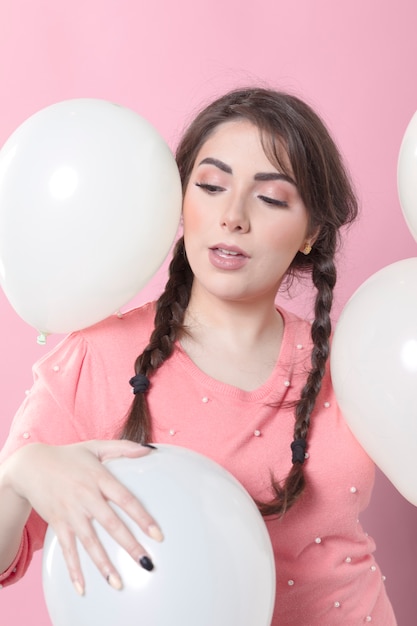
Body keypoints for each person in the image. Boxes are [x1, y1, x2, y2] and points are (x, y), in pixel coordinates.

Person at [0, 87, 397, 625]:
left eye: (272, 198)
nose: (232, 216)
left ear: (311, 233)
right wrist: (20, 472)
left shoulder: (354, 360)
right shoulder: (99, 356)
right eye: (210, 186)